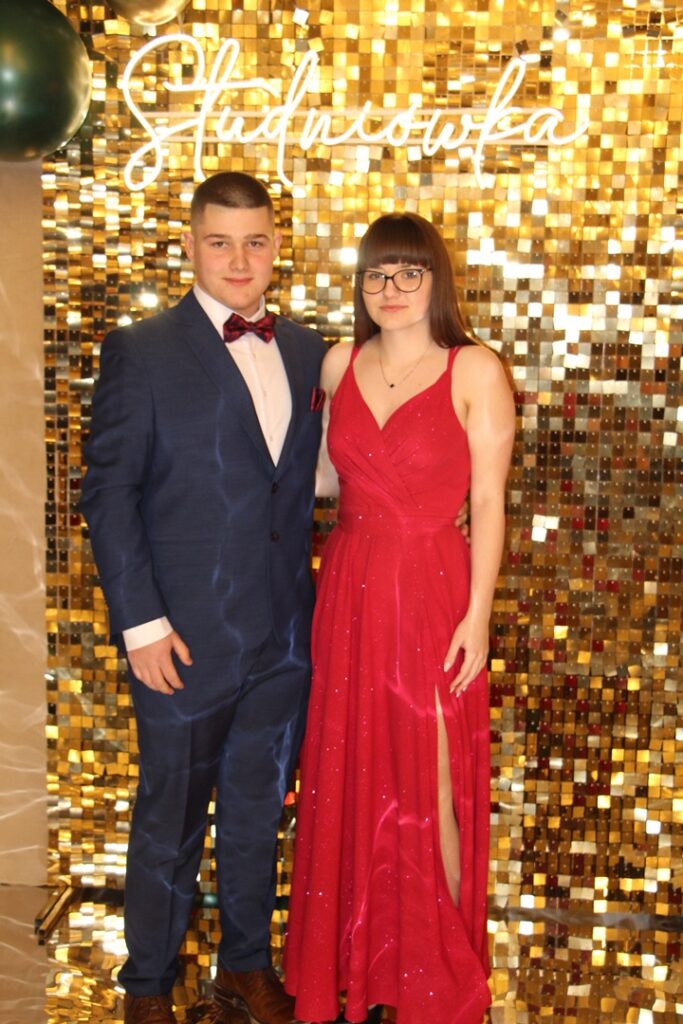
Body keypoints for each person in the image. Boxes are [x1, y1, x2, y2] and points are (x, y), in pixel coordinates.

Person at [80, 172, 327, 1024]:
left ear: (276, 246)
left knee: (257, 811)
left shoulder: (309, 351)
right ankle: (147, 985)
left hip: (283, 637)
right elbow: (108, 494)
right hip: (179, 639)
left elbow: (308, 480)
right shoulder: (141, 350)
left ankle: (244, 966)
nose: (239, 260)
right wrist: (141, 624)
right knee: (170, 818)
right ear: (189, 245)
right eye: (219, 242)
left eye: (255, 241)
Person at [283, 212, 515, 1024]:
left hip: (431, 589)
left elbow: (488, 503)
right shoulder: (338, 361)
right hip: (349, 585)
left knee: (430, 782)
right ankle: (364, 961)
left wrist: (476, 617)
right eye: (376, 274)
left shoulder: (473, 368)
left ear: (435, 281)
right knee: (351, 776)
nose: (390, 289)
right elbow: (322, 478)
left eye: (408, 273)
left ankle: (435, 975)